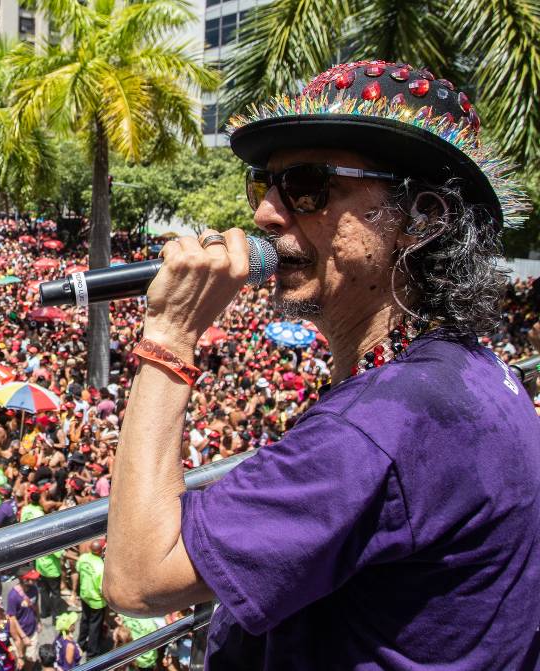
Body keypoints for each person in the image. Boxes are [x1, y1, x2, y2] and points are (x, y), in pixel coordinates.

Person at [103, 61, 540, 670]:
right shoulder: (475, 369)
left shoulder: (374, 429)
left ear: (423, 218)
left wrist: (169, 338)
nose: (266, 214)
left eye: (307, 187)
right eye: (264, 185)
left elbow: (138, 577)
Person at [74, 541, 105, 659]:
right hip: (96, 600)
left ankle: (80, 644)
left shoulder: (83, 558)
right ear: (100, 551)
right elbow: (101, 588)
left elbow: (78, 569)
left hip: (84, 595)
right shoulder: (100, 566)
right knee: (94, 627)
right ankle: (92, 654)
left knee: (84, 620)